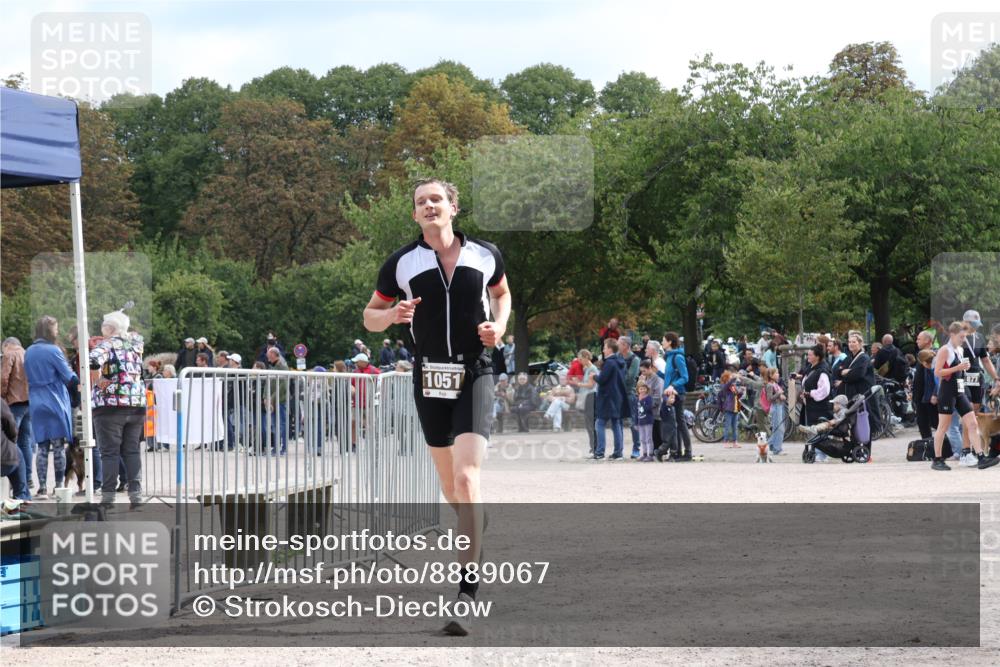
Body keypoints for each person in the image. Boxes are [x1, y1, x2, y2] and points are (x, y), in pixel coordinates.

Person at [362, 177, 510, 636]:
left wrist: (498, 328)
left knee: (467, 478)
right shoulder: (402, 263)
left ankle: (466, 593)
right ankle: (475, 521)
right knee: (452, 489)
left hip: (474, 371)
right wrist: (391, 316)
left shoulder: (485, 255)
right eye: (421, 202)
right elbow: (370, 317)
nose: (429, 206)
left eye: (437, 199)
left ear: (453, 208)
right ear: (414, 214)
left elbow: (502, 295)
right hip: (428, 377)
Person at [89, 311, 147, 509]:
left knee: (110, 453)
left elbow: (93, 360)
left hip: (110, 406)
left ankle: (108, 499)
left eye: (104, 325)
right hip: (136, 403)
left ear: (109, 328)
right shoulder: (136, 344)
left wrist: (101, 382)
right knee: (132, 451)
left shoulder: (106, 344)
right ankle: (136, 497)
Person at [929, 321, 998, 471]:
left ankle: (981, 457)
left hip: (961, 390)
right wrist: (957, 367)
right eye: (961, 337)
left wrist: (964, 370)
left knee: (972, 423)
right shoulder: (944, 350)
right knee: (943, 426)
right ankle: (937, 459)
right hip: (947, 391)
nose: (963, 340)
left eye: (965, 337)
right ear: (952, 335)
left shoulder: (959, 349)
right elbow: (937, 372)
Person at [24, 316, 78, 499]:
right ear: (49, 330)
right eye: (55, 328)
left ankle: (41, 489)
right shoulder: (53, 350)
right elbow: (68, 376)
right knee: (58, 446)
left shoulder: (29, 351)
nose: (58, 332)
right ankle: (59, 486)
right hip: (54, 401)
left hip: (36, 401)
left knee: (42, 447)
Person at [2, 337, 34, 496]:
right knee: (26, 442)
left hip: (14, 402)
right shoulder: (28, 354)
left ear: (6, 345)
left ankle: (17, 487)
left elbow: (3, 378)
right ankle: (27, 479)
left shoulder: (10, 354)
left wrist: (2, 396)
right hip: (30, 403)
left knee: (11, 441)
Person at [593, 337, 628, 460]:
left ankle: (599, 452)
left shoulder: (609, 363)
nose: (603, 349)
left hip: (607, 398)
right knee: (616, 423)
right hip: (617, 396)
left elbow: (602, 380)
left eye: (604, 347)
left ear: (609, 349)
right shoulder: (620, 361)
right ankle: (618, 452)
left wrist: (595, 377)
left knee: (599, 423)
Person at [960, 310, 999, 412]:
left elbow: (986, 360)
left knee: (976, 408)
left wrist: (996, 378)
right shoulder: (957, 336)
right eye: (973, 324)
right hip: (961, 376)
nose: (976, 327)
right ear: (965, 322)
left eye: (976, 324)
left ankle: (970, 427)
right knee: (967, 407)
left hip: (976, 376)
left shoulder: (979, 337)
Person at [662, 332, 692, 460]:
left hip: (678, 394)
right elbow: (669, 376)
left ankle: (688, 452)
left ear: (669, 342)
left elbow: (685, 377)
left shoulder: (677, 357)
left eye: (663, 340)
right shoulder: (668, 357)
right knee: (675, 423)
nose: (662, 342)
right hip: (670, 394)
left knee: (681, 422)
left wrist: (672, 385)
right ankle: (678, 451)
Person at [617, 336, 641, 458]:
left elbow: (630, 378)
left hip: (629, 393)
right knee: (618, 422)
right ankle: (619, 450)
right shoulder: (617, 357)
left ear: (626, 345)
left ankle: (636, 448)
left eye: (619, 344)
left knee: (633, 421)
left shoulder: (635, 359)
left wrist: (616, 379)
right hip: (618, 393)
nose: (617, 346)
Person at [914, 349, 939, 440]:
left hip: (930, 398)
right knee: (924, 422)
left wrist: (934, 394)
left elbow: (938, 381)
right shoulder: (929, 367)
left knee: (936, 422)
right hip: (925, 398)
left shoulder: (933, 368)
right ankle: (927, 443)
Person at [763, 367, 787, 455]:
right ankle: (776, 449)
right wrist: (779, 394)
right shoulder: (769, 385)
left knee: (779, 428)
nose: (778, 374)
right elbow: (769, 398)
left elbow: (779, 396)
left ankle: (770, 446)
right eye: (776, 373)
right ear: (770, 375)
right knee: (779, 429)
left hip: (779, 406)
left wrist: (781, 396)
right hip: (775, 407)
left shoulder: (775, 384)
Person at [717, 370, 741, 449]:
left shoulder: (733, 387)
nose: (732, 378)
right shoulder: (725, 387)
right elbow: (727, 385)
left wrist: (741, 392)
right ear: (727, 379)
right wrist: (734, 378)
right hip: (728, 409)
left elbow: (737, 395)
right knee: (727, 426)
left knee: (735, 426)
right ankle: (726, 441)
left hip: (735, 408)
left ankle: (735, 442)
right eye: (730, 377)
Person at [636, 383, 655, 461]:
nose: (642, 390)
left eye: (644, 388)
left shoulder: (649, 398)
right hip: (641, 421)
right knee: (642, 438)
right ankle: (644, 454)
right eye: (640, 389)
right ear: (638, 390)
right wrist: (636, 422)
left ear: (647, 389)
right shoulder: (637, 399)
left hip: (648, 421)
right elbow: (636, 411)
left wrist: (641, 402)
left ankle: (650, 454)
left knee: (648, 438)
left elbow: (649, 408)